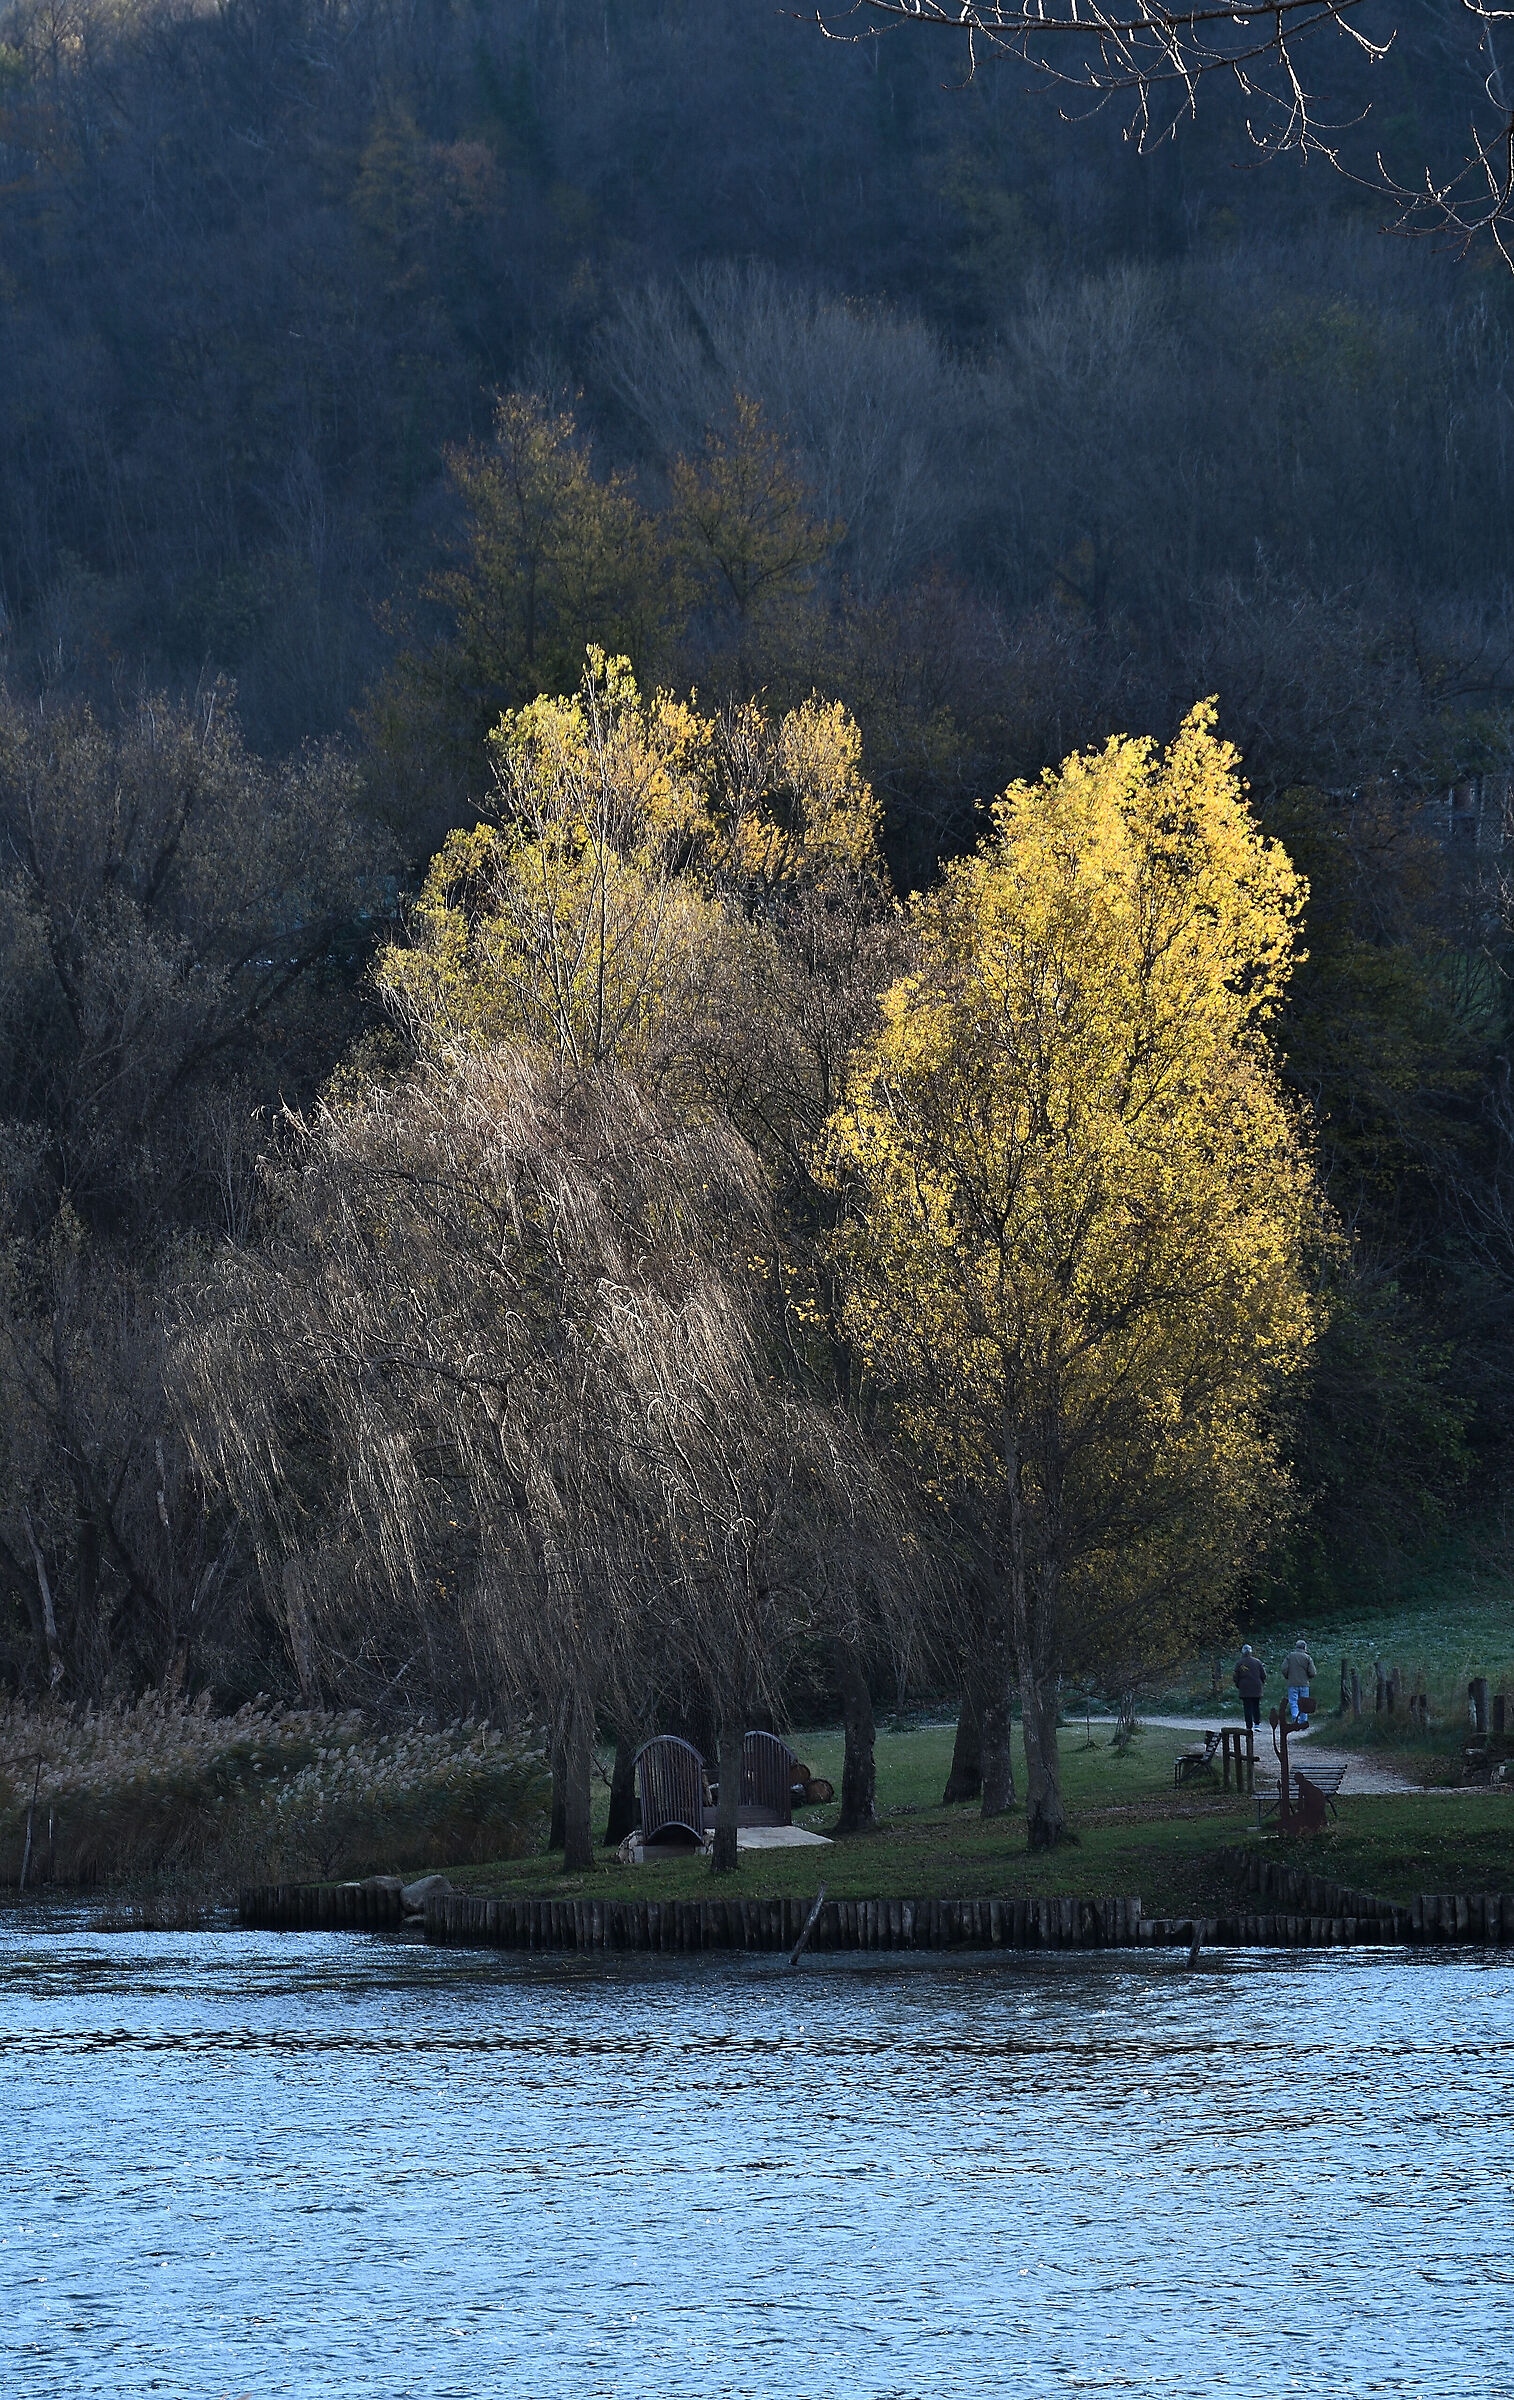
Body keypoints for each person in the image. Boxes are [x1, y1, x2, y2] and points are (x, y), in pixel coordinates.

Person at [1282, 1636, 1316, 1725]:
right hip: (1304, 1683)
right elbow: (1312, 1672)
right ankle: (1303, 1721)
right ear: (1304, 1647)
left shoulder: (1290, 1656)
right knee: (1304, 1703)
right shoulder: (1307, 1658)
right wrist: (1308, 1677)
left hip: (1292, 1683)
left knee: (1294, 1702)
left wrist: (1288, 1676)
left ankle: (1295, 1719)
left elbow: (1284, 1668)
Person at [1232, 1644, 1267, 1729]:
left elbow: (1235, 1676)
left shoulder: (1239, 1663)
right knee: (1256, 1706)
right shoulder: (1257, 1662)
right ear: (1251, 1652)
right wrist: (1261, 1682)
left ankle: (1248, 1726)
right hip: (1256, 1687)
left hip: (1245, 1687)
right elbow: (1263, 1675)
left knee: (1247, 1707)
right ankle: (1257, 1724)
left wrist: (1238, 1684)